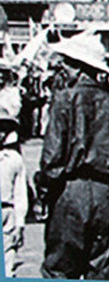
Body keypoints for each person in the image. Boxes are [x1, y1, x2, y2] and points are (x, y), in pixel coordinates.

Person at [36, 33, 109, 280]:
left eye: (66, 62)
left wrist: (43, 193)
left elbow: (52, 159)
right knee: (100, 269)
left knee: (59, 269)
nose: (61, 68)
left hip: (70, 193)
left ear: (78, 67)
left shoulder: (64, 100)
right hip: (105, 196)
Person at [0, 84, 27, 278]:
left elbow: (20, 194)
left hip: (6, 212)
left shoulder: (13, 159)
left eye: (3, 128)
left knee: (8, 261)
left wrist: (20, 223)